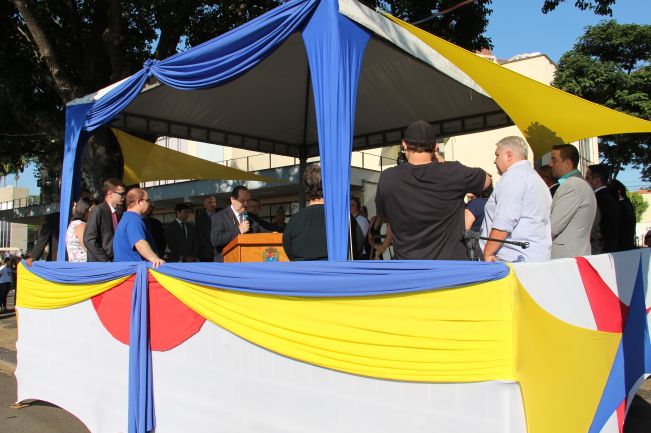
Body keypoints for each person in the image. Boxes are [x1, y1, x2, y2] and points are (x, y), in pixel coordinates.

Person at [375, 120, 491, 260]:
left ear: (404, 145)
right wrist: (443, 163)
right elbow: (486, 180)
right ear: (436, 147)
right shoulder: (453, 173)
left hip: (409, 266)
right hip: (450, 267)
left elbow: (383, 217)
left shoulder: (388, 178)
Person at [480, 136, 552, 262]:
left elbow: (504, 220)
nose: (494, 161)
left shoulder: (513, 177)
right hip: (534, 255)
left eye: (497, 155)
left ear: (509, 155)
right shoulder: (534, 177)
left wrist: (488, 253)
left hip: (513, 259)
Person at [548, 144, 597, 258]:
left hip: (566, 257)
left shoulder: (571, 186)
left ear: (567, 164)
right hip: (574, 254)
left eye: (554, 160)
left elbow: (552, 227)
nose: (550, 164)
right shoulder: (579, 184)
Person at [211, 186, 268, 262]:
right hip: (226, 263)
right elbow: (216, 240)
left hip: (247, 261)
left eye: (247, 201)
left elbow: (265, 231)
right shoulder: (219, 216)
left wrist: (273, 233)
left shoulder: (251, 217)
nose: (245, 204)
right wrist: (239, 230)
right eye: (242, 201)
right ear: (232, 199)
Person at [113, 188, 165, 267]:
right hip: (134, 270)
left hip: (126, 269)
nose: (149, 204)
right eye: (147, 201)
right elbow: (140, 243)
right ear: (139, 202)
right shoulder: (133, 220)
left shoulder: (127, 218)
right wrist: (155, 259)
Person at [84, 178, 126, 262]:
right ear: (110, 194)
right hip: (101, 263)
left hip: (115, 261)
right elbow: (89, 239)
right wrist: (105, 260)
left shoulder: (117, 213)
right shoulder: (98, 210)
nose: (123, 197)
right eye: (121, 194)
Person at [586, 164, 620, 254]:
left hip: (599, 249)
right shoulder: (611, 197)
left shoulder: (598, 199)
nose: (585, 182)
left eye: (587, 178)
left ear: (597, 180)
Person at [608, 179, 636, 251]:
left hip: (621, 247)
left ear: (618, 191)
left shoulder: (621, 206)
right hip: (626, 246)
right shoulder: (627, 204)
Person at [65, 196, 97, 262]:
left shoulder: (74, 224)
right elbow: (88, 247)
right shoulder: (81, 225)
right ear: (85, 209)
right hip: (83, 264)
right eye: (93, 210)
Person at [193, 195, 217, 262]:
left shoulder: (221, 216)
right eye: (209, 202)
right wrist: (211, 249)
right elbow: (200, 237)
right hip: (205, 254)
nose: (212, 204)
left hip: (219, 253)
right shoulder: (200, 219)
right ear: (205, 205)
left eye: (214, 202)